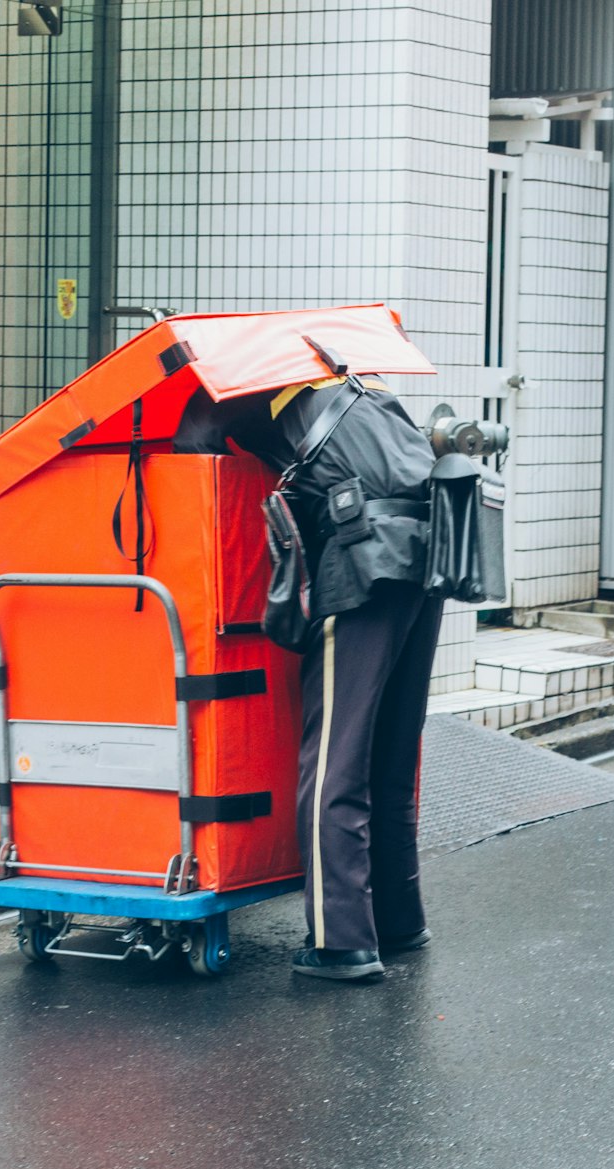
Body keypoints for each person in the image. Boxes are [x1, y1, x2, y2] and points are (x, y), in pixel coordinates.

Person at [175, 372, 443, 981]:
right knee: (393, 752)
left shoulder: (231, 386)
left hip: (361, 562)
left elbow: (192, 459)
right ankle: (400, 921)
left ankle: (341, 941)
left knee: (333, 759)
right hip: (431, 553)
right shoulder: (360, 388)